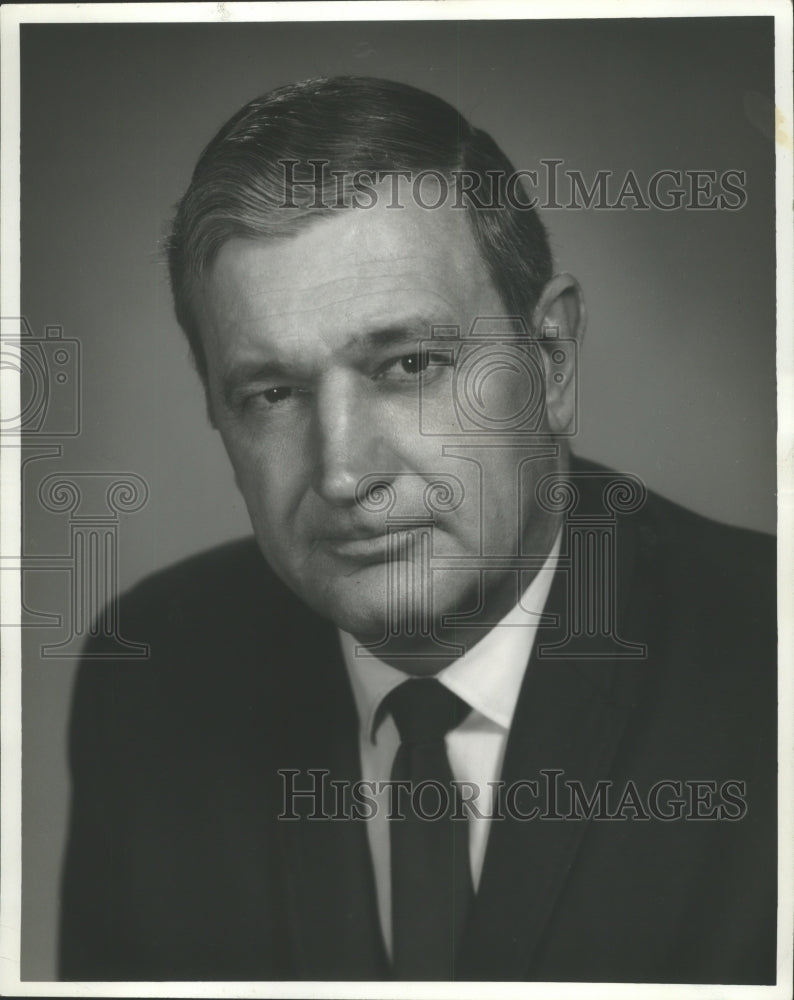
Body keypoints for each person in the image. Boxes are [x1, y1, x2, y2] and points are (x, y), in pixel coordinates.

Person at [58, 77, 776, 984]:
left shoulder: (765, 656)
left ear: (549, 358)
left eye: (409, 365)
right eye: (272, 393)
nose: (345, 473)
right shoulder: (153, 677)